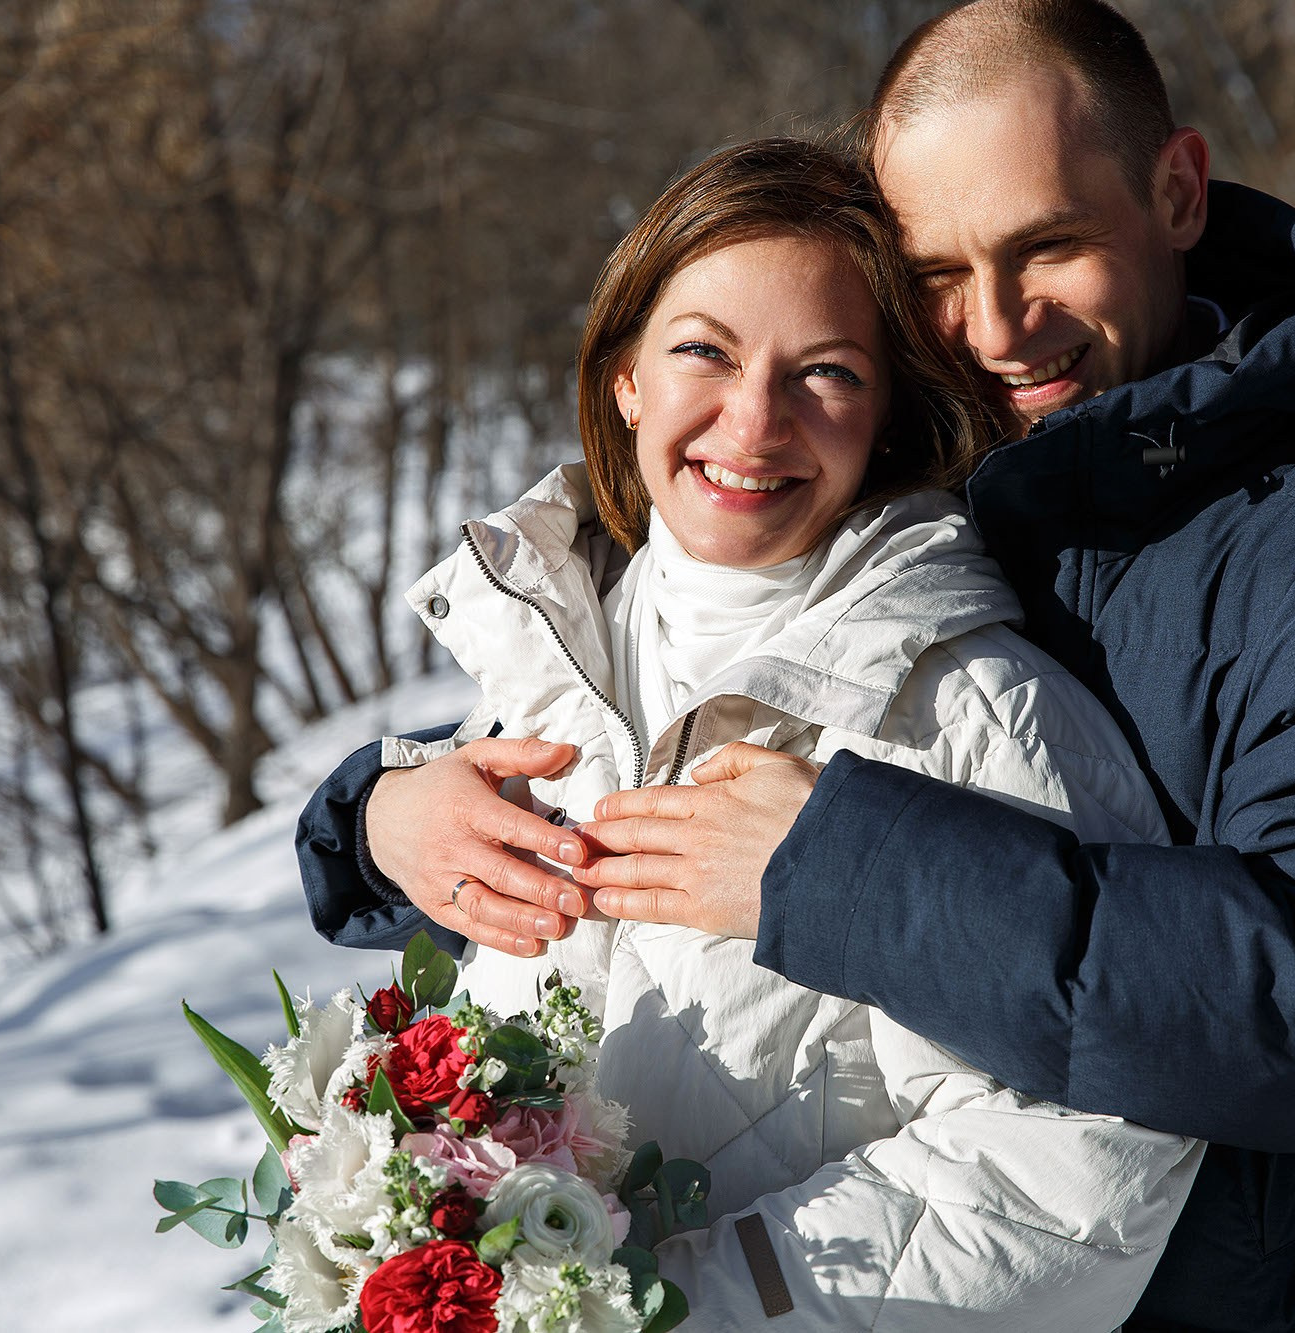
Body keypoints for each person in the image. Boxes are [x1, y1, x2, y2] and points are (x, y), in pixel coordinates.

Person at [299, 3, 1295, 1330]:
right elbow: (636, 727)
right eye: (940, 276)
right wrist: (382, 814)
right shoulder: (956, 477)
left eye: (1050, 247)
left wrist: (835, 870)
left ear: (1177, 191)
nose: (1001, 326)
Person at [370, 136, 1201, 1328]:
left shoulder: (969, 706)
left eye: (825, 374)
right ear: (625, 379)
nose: (752, 421)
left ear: (886, 418)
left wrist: (686, 1301)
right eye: (703, 350)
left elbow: (1081, 1164)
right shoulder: (537, 672)